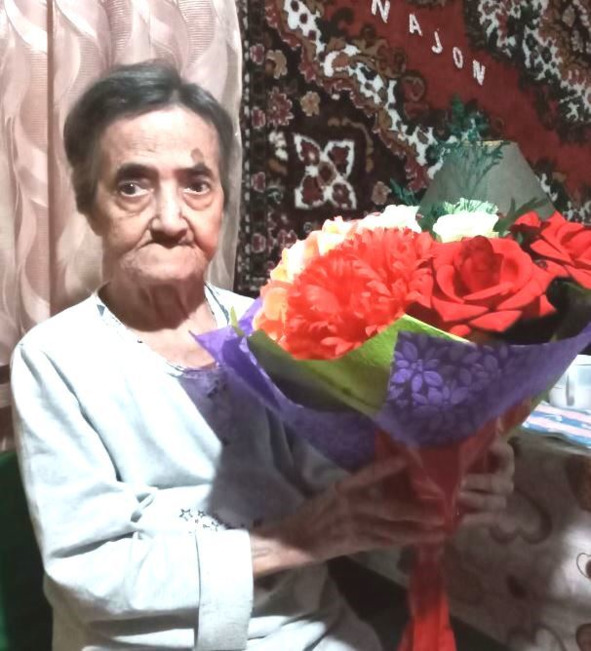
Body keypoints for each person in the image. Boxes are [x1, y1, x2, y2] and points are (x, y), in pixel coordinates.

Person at [10, 62, 514, 651]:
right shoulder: (55, 359)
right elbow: (89, 573)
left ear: (222, 202)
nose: (170, 220)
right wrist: (293, 541)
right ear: (89, 206)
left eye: (197, 185)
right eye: (132, 186)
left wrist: (450, 469)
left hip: (310, 632)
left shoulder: (274, 325)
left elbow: (346, 485)